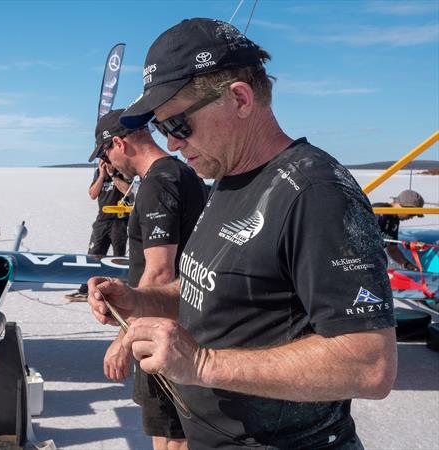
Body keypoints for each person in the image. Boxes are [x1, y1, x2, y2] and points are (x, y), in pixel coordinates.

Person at [87, 18, 397, 449]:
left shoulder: (315, 193)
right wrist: (140, 300)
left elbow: (369, 364)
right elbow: (212, 291)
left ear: (239, 98)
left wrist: (201, 362)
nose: (172, 144)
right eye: (161, 130)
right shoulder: (228, 178)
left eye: (178, 125)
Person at [88, 109, 207, 450]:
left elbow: (160, 271)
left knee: (172, 437)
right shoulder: (183, 174)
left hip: (164, 331)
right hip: (185, 322)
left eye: (105, 154)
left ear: (119, 143)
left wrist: (123, 340)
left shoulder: (158, 181)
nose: (109, 163)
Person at [64, 158, 131, 301]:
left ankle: (118, 290)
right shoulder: (99, 173)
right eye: (103, 160)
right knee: (93, 256)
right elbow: (92, 194)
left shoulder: (123, 172)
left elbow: (128, 191)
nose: (106, 163)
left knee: (118, 258)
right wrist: (101, 175)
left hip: (119, 222)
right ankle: (85, 289)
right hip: (102, 221)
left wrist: (113, 175)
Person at [373, 189, 424, 271]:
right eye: (412, 213)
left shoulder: (394, 220)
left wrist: (407, 265)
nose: (411, 217)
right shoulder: (379, 212)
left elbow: (392, 249)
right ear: (401, 205)